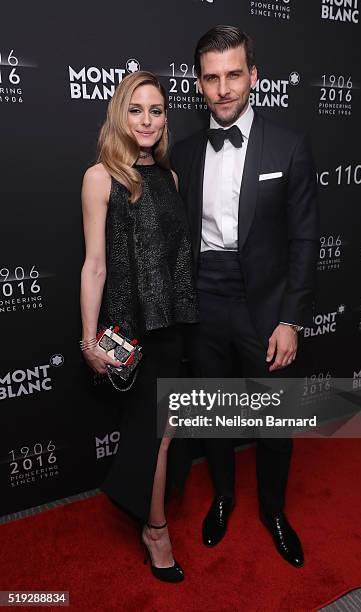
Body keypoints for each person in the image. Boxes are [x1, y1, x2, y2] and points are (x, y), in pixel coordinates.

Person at [171, 26, 319, 568]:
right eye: (212, 77)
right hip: (203, 300)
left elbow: (305, 240)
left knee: (275, 420)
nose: (224, 88)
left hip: (264, 305)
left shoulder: (289, 146)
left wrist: (291, 320)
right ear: (199, 84)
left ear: (253, 76)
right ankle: (224, 497)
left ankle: (275, 512)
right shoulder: (183, 154)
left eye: (234, 74)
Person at [79, 70, 198, 582]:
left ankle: (151, 521)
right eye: (136, 109)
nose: (146, 120)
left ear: (164, 118)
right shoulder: (100, 176)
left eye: (155, 110)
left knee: (166, 432)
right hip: (127, 329)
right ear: (119, 115)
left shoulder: (170, 178)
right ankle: (155, 530)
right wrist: (89, 340)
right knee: (153, 431)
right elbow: (95, 265)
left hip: (170, 325)